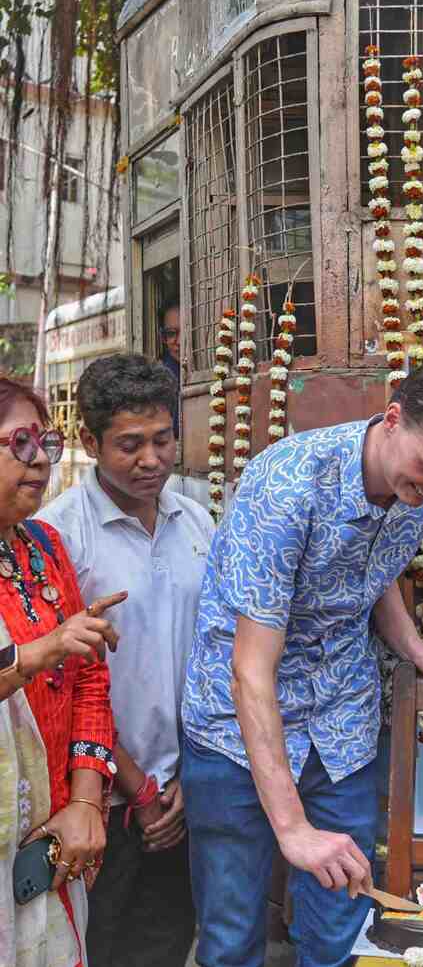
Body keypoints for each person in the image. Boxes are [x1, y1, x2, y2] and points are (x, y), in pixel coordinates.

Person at [181, 354, 423, 967]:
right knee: (231, 939)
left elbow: (369, 566)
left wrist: (413, 647)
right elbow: (250, 673)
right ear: (392, 419)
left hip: (341, 726)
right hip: (238, 731)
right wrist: (292, 829)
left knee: (343, 935)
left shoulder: (414, 484)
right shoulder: (285, 488)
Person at [38, 353, 214, 967]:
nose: (151, 460)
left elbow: (215, 654)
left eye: (163, 440)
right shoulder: (57, 536)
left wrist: (192, 776)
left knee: (166, 946)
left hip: (186, 792)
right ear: (89, 441)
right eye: (129, 445)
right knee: (97, 947)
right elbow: (64, 686)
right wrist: (136, 786)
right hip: (98, 802)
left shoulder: (195, 519)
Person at [0, 377, 122, 967]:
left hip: (51, 840)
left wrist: (85, 802)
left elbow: (91, 681)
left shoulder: (43, 545)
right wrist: (39, 652)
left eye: (45, 440)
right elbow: (55, 654)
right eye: (21, 443)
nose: (43, 458)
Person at [159, 302, 181, 438]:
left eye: (185, 331)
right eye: (171, 333)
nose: (178, 341)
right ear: (163, 338)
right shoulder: (159, 378)